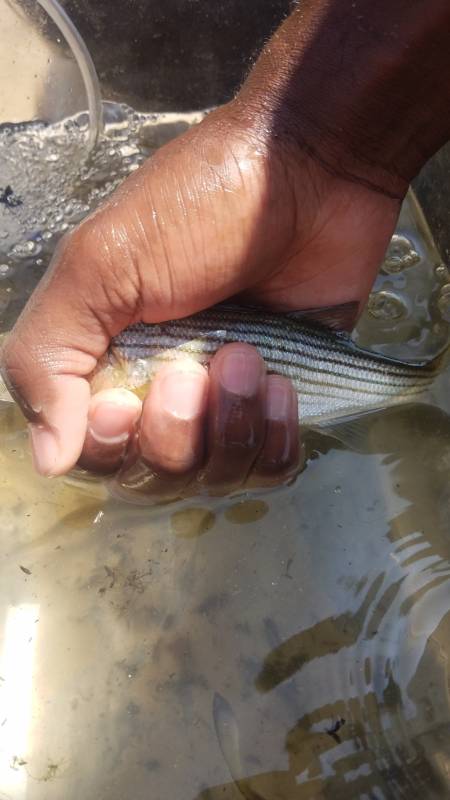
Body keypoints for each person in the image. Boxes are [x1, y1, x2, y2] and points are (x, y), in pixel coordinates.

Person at [1, 0, 450, 500]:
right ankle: (423, 379)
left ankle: (424, 380)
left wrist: (306, 152)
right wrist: (314, 149)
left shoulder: (114, 351)